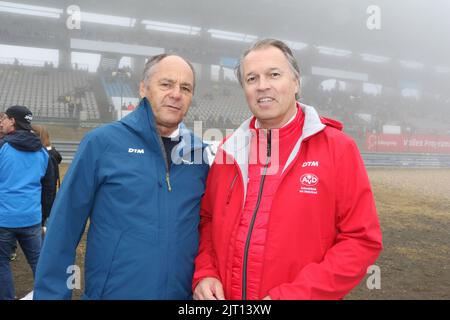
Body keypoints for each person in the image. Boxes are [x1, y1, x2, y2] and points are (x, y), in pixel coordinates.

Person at [193, 39, 383, 300]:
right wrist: (205, 272)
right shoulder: (228, 151)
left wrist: (298, 295)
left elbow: (361, 240)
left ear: (296, 82)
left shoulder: (338, 149)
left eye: (274, 74)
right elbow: (207, 221)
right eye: (251, 78)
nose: (262, 85)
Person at [33, 54, 210, 300]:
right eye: (166, 84)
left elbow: (208, 230)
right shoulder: (102, 143)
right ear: (142, 88)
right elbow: (63, 228)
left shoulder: (199, 154)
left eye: (185, 88)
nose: (176, 94)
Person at [0, 105, 55, 300]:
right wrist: (43, 216)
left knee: (2, 263)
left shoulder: (2, 146)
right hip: (31, 217)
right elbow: (49, 189)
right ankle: (49, 296)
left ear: (13, 121)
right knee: (39, 262)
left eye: (5, 118)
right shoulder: (42, 152)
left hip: (4, 219)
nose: (2, 122)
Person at [32, 125, 62, 228]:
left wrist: (46, 211)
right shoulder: (47, 153)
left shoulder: (48, 155)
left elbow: (50, 185)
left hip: (43, 203)